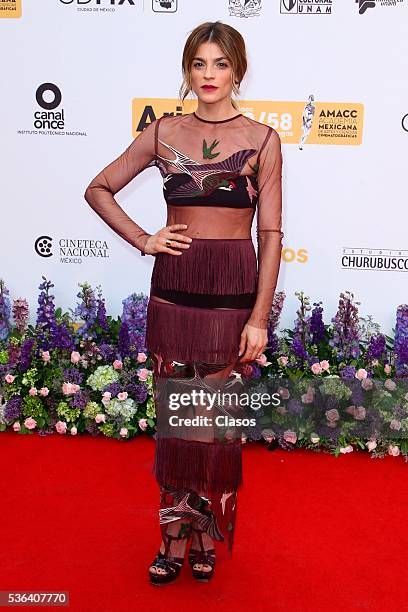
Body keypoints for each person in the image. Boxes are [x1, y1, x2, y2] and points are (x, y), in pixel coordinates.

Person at [84, 20, 283, 586]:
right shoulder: (164, 132)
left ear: (238, 71)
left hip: (231, 293)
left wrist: (259, 317)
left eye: (220, 64)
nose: (209, 76)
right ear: (187, 70)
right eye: (199, 64)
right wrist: (145, 238)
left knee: (213, 419)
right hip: (175, 290)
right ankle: (172, 532)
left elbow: (269, 236)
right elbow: (98, 187)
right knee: (177, 417)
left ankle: (202, 530)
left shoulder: (263, 141)